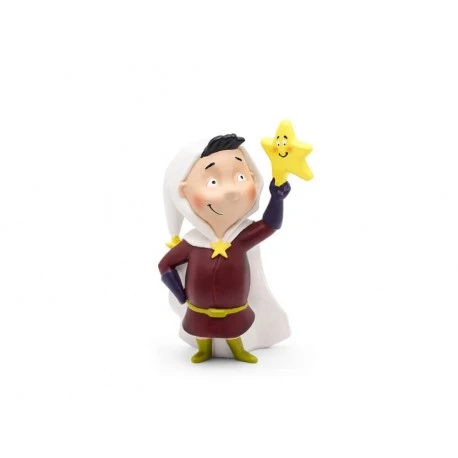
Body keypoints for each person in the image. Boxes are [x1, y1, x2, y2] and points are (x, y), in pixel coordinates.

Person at [158, 133, 291, 363]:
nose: (231, 191)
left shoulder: (240, 238)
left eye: (240, 177)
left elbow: (270, 224)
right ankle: (203, 349)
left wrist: (277, 199)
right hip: (198, 309)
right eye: (212, 182)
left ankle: (238, 350)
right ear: (184, 191)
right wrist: (181, 294)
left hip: (235, 309)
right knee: (200, 329)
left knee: (234, 328)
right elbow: (165, 265)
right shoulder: (193, 242)